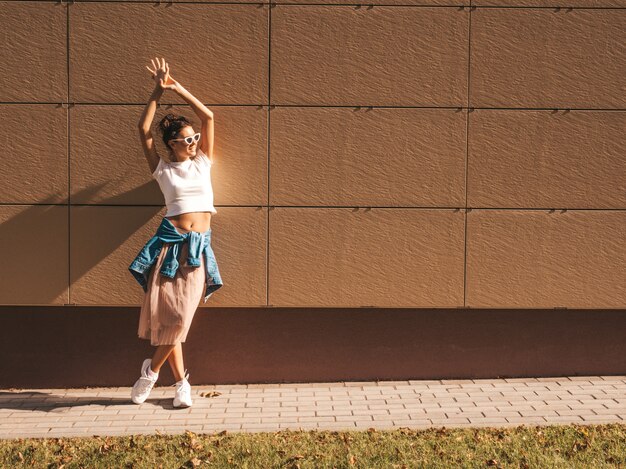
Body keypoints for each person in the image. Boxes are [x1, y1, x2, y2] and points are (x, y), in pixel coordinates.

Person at [128, 57, 223, 408]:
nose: (194, 142)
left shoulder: (203, 162)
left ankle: (149, 373)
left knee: (182, 317)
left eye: (195, 138)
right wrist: (156, 91)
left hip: (197, 249)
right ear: (171, 145)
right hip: (169, 248)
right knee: (173, 321)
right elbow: (142, 129)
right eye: (186, 140)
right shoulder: (163, 170)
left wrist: (176, 87)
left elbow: (209, 117)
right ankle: (182, 384)